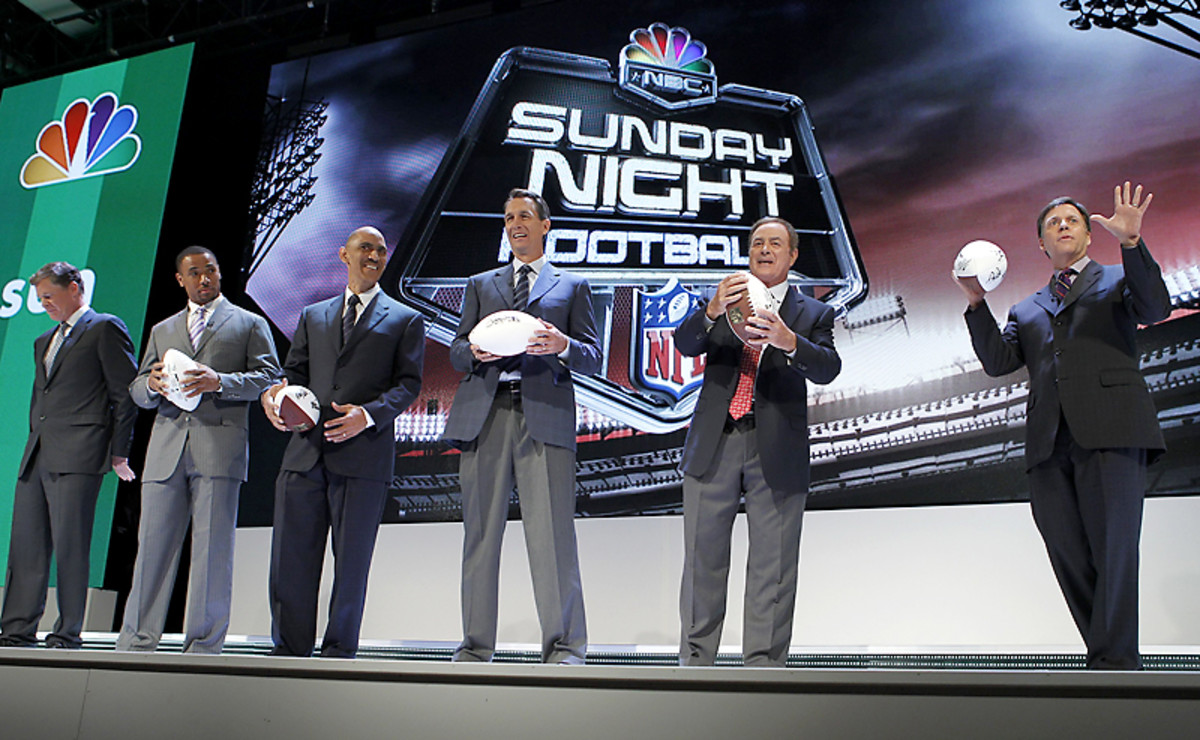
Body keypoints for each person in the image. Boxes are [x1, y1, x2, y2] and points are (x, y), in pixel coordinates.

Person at [957, 182, 1171, 670]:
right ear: (1042, 243)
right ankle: (1110, 660)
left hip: (1113, 433)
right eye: (1053, 223)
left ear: (1089, 235)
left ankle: (1114, 668)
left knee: (1114, 551)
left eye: (1072, 220)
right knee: (1067, 553)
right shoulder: (1026, 308)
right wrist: (975, 303)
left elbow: (1156, 309)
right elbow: (997, 362)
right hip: (1048, 445)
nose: (1063, 226)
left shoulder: (1118, 279)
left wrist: (1133, 243)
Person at [674, 216, 841, 667]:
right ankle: (694, 668)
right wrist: (711, 311)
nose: (764, 250)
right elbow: (685, 343)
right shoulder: (724, 300)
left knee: (774, 566)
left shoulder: (813, 313)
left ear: (793, 255)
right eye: (757, 243)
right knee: (702, 561)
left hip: (777, 449)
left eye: (774, 243)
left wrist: (789, 342)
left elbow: (828, 367)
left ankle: (763, 671)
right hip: (715, 442)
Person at [443, 188, 601, 665]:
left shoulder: (571, 285)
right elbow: (456, 350)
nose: (516, 224)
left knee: (552, 537)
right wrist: (473, 351)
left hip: (544, 417)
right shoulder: (480, 284)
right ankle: (474, 649)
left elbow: (592, 356)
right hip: (485, 415)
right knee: (480, 536)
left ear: (544, 225)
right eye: (509, 217)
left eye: (525, 216)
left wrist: (562, 344)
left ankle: (565, 648)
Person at [262, 226, 424, 659]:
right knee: (290, 560)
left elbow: (408, 385)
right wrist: (275, 397)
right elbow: (293, 374)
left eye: (381, 250)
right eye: (365, 248)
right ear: (343, 255)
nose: (374, 255)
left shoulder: (405, 319)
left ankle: (338, 654)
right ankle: (290, 652)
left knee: (351, 565)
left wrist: (365, 416)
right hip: (304, 455)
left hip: (363, 458)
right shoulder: (313, 315)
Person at [116, 246, 281, 654]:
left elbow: (269, 377)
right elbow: (137, 388)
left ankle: (203, 647)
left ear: (220, 273)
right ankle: (137, 643)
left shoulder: (249, 323)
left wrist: (219, 381)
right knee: (151, 550)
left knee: (212, 553)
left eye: (211, 270)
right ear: (180, 279)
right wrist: (151, 385)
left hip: (219, 448)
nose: (204, 278)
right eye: (195, 272)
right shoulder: (163, 329)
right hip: (166, 449)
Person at [0, 262, 137, 649]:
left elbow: (125, 395)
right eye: (40, 298)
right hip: (38, 454)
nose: (44, 303)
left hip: (80, 453)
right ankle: (16, 629)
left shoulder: (104, 328)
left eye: (49, 296)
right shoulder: (43, 340)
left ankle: (67, 631)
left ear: (74, 288)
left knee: (71, 546)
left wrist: (118, 452)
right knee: (25, 546)